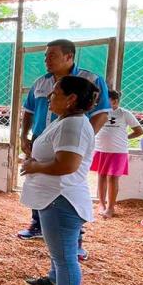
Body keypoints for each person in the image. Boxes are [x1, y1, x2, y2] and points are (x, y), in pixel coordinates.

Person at [18, 39, 110, 261]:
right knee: (40, 181)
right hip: (43, 138)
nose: (46, 60)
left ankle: (75, 239)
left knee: (66, 185)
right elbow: (29, 111)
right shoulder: (41, 82)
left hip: (69, 141)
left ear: (69, 56)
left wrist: (80, 140)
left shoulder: (90, 79)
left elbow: (102, 113)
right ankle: (38, 224)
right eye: (45, 56)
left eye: (52, 55)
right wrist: (24, 136)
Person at [20, 75, 99, 285]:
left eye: (55, 93)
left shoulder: (73, 125)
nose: (49, 97)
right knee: (59, 251)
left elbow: (67, 164)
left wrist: (35, 167)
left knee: (65, 257)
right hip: (55, 197)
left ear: (71, 99)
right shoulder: (66, 120)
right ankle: (54, 279)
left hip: (62, 198)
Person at [91, 90, 143, 218]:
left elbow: (139, 131)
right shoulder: (100, 112)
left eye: (105, 99)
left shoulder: (124, 113)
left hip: (118, 150)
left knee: (113, 177)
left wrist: (125, 137)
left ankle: (110, 207)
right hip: (101, 149)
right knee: (101, 175)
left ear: (115, 101)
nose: (101, 101)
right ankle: (101, 204)